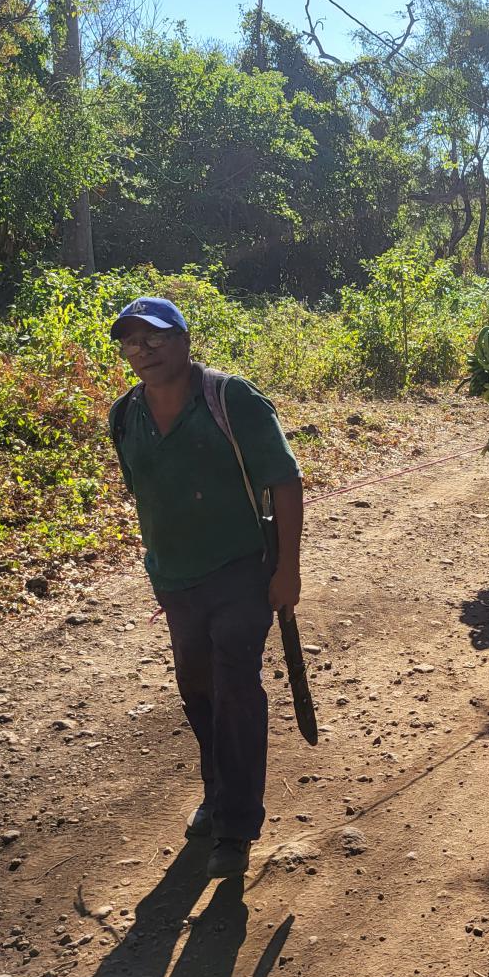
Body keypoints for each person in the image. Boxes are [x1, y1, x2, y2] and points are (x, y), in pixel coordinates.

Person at [106, 296, 304, 879]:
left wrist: (287, 569)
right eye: (131, 341)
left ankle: (237, 826)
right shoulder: (126, 415)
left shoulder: (229, 399)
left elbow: (285, 482)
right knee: (196, 687)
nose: (142, 351)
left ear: (185, 340)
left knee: (234, 684)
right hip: (174, 579)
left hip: (241, 571)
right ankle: (216, 791)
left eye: (156, 338)